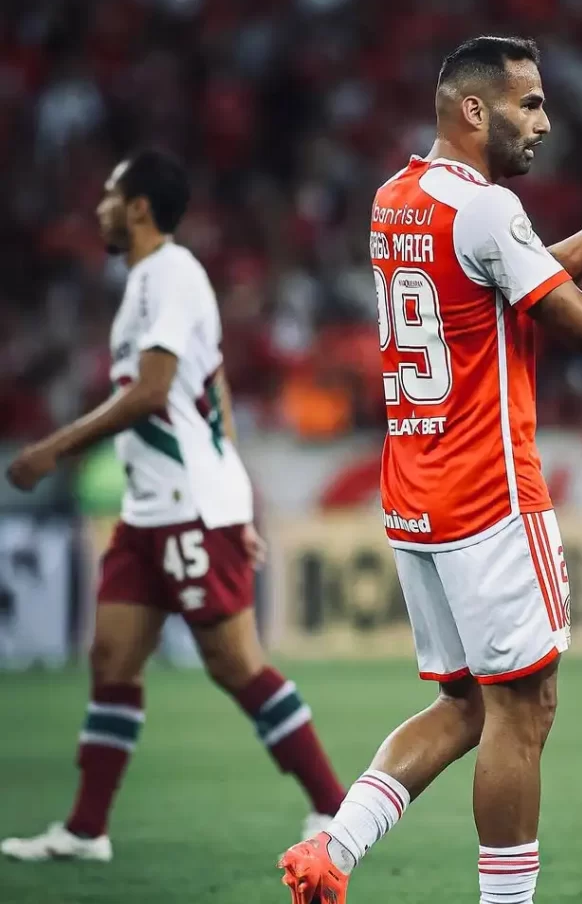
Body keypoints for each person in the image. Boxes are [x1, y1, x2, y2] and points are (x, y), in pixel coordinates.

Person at [278, 36, 582, 904]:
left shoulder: (399, 199)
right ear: (475, 110)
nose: (545, 122)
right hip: (491, 497)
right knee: (527, 708)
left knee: (465, 707)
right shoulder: (489, 208)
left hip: (417, 499)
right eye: (530, 104)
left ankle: (328, 851)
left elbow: (511, 273)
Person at [2, 149, 345, 863]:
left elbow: (157, 392)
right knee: (112, 658)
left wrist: (54, 449)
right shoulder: (141, 287)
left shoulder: (173, 274)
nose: (97, 206)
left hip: (189, 507)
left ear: (136, 207)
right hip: (150, 511)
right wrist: (241, 494)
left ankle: (335, 808)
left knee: (235, 664)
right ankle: (86, 830)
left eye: (108, 194)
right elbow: (209, 388)